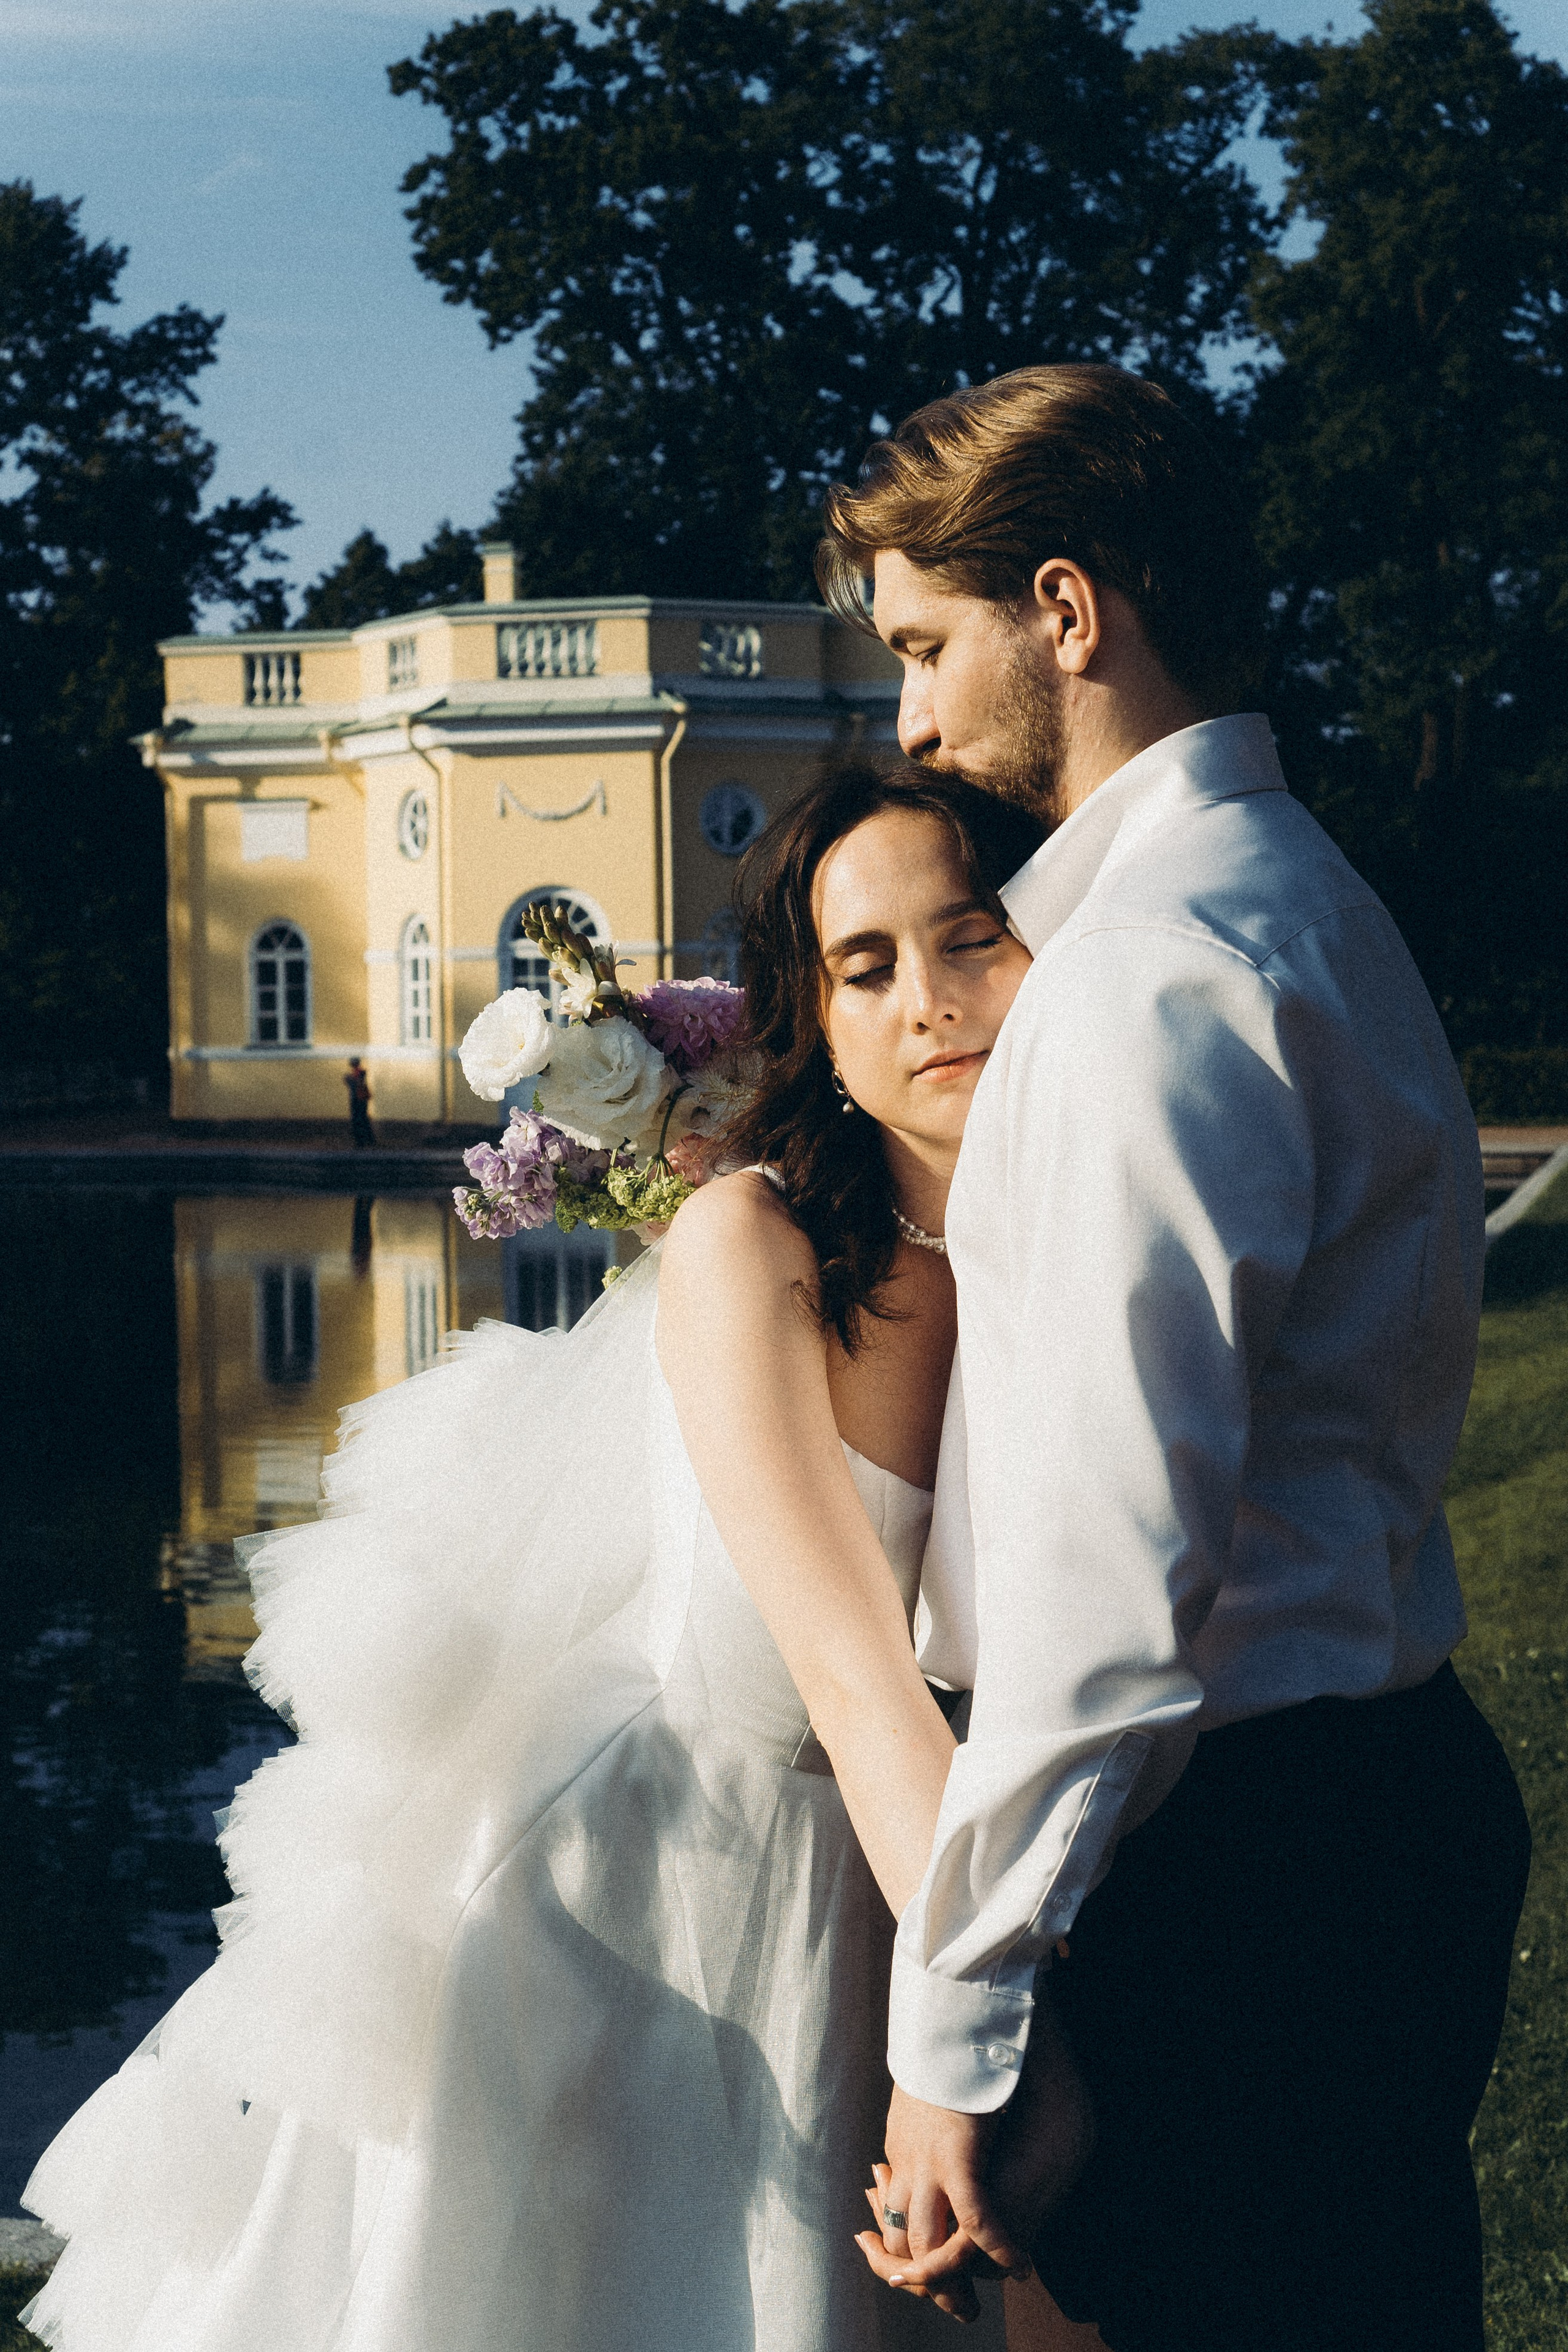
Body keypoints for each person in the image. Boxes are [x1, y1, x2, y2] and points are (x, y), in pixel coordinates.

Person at [21, 766, 1064, 2352]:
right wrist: (1006, 2038)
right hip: (640, 1904)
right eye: (865, 967)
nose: (927, 1002)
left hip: (870, 1889)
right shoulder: (748, 1248)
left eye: (971, 937)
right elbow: (859, 1687)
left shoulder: (1053, 1247)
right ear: (821, 1029)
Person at [816, 364, 1531, 2351]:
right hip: (1375, 1791)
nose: (912, 719)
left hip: (1238, 1870)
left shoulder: (1149, 978)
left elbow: (1110, 1586)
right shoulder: (1312, 902)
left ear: (1068, 608)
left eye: (929, 647)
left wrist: (955, 2033)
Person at [344, 1055, 375, 1147]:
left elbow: (356, 1084)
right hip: (361, 1099)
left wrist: (349, 1080)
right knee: (364, 1119)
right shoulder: (359, 1073)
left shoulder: (358, 1074)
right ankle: (370, 1139)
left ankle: (361, 1141)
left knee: (358, 1120)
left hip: (358, 1099)